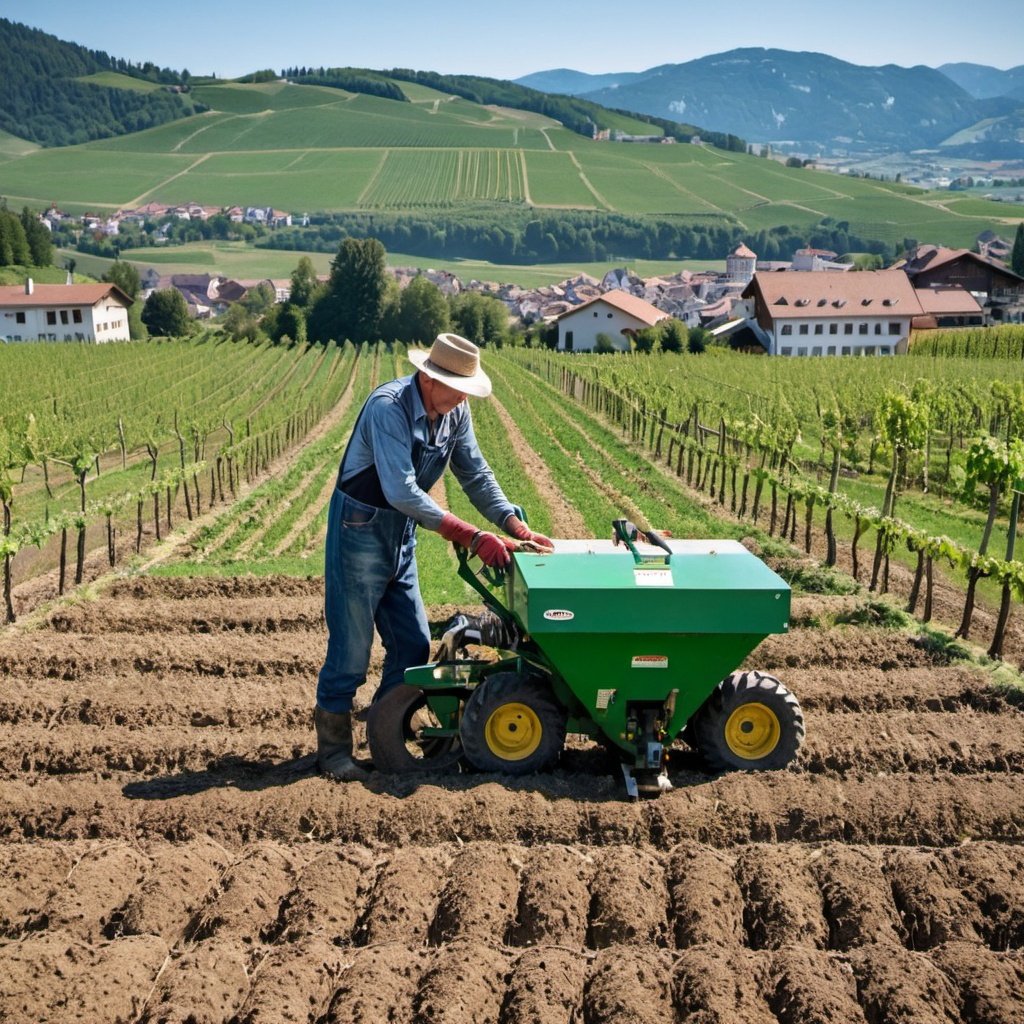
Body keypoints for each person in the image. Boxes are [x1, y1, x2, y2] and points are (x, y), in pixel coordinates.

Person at [314, 332, 553, 780]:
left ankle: (386, 735)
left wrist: (511, 524)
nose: (464, 396)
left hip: (400, 534)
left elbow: (476, 473)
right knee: (351, 649)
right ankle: (333, 753)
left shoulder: (454, 413)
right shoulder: (388, 409)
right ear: (429, 378)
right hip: (360, 531)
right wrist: (468, 534)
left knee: (412, 642)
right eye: (457, 386)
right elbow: (400, 489)